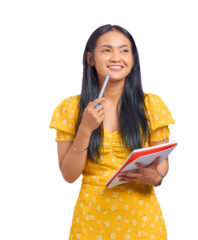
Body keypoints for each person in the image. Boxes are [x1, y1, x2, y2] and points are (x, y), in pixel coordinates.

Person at [47, 23, 176, 240]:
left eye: (124, 50)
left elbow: (162, 163)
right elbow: (68, 177)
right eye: (107, 50)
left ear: (133, 60)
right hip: (90, 223)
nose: (116, 57)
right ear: (90, 59)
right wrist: (85, 129)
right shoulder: (70, 108)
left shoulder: (152, 105)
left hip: (143, 224)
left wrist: (157, 176)